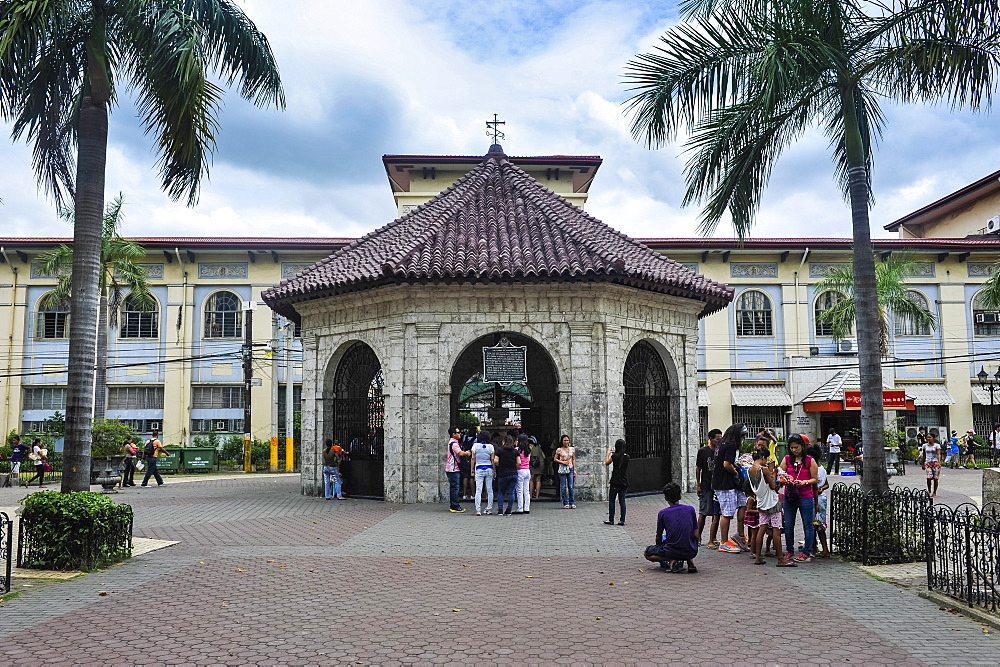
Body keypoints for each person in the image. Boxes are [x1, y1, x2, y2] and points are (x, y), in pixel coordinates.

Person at [748, 447, 795, 567]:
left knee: (761, 528)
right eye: (766, 459)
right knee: (776, 529)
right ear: (762, 458)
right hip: (772, 502)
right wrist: (778, 479)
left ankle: (758, 556)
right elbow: (774, 486)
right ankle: (780, 559)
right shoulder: (763, 469)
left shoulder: (750, 470)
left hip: (761, 502)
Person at [643, 482, 698, 574]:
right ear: (680, 496)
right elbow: (696, 534)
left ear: (665, 498)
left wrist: (659, 547)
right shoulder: (690, 509)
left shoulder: (663, 513)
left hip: (672, 550)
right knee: (686, 540)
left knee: (647, 553)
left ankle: (672, 559)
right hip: (692, 551)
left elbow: (658, 536)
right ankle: (689, 560)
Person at [780, 434, 818, 563]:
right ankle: (789, 550)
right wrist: (786, 481)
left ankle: (806, 552)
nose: (794, 450)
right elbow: (780, 474)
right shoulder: (787, 459)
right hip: (790, 495)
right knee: (788, 525)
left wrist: (804, 482)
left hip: (806, 496)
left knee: (808, 525)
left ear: (802, 446)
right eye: (791, 448)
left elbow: (815, 479)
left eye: (796, 447)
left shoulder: (809, 460)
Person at [712, 423, 748, 554]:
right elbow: (726, 464)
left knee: (743, 504)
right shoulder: (731, 445)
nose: (743, 438)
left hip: (730, 483)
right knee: (727, 513)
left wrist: (736, 464)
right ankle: (723, 542)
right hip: (725, 483)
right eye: (742, 436)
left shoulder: (722, 444)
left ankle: (740, 534)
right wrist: (735, 472)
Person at [695, 428, 721, 548]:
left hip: (718, 486)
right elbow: (698, 468)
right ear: (711, 439)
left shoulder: (721, 451)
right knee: (703, 512)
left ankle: (713, 537)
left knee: (716, 514)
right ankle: (697, 537)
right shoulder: (703, 451)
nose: (719, 440)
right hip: (706, 485)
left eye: (720, 438)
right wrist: (698, 484)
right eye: (717, 438)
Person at [807, 444, 832, 558]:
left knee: (813, 524)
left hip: (816, 499)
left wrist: (817, 492)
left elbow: (814, 486)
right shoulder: (822, 468)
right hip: (822, 498)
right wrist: (822, 488)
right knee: (819, 524)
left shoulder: (814, 469)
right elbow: (826, 484)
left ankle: (814, 548)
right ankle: (822, 548)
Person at [604, 438, 629, 526]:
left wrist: (608, 453)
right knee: (622, 500)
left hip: (615, 481)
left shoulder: (614, 457)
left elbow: (607, 462)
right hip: (624, 481)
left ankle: (611, 519)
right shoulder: (627, 457)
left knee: (612, 500)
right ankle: (622, 520)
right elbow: (621, 457)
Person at [471, 430, 495, 516]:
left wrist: (472, 469)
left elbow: (473, 458)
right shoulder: (491, 447)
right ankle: (489, 509)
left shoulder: (475, 446)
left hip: (479, 468)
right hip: (489, 468)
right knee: (489, 490)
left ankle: (478, 510)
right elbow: (492, 459)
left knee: (478, 490)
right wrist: (494, 470)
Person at [443, 427, 467, 512]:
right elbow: (460, 453)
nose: (460, 434)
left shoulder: (453, 442)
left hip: (452, 468)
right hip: (453, 469)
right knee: (455, 488)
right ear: (453, 434)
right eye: (458, 432)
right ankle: (455, 506)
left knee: (454, 487)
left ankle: (454, 505)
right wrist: (468, 453)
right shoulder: (454, 443)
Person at [495, 435, 519, 516]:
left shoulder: (499, 450)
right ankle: (509, 510)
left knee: (501, 492)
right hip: (513, 473)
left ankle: (500, 510)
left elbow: (495, 461)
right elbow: (519, 462)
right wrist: (513, 465)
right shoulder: (515, 451)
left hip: (503, 473)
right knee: (511, 492)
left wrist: (500, 465)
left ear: (503, 442)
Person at [554, 434, 576, 509]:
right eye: (564, 440)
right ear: (562, 441)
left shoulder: (572, 449)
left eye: (567, 440)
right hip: (562, 468)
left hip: (570, 468)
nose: (566, 442)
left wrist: (574, 468)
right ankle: (565, 502)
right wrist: (562, 462)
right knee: (563, 486)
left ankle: (572, 502)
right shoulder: (559, 450)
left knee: (571, 486)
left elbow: (573, 459)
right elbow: (555, 459)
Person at [919, 431, 942, 497]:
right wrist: (922, 463)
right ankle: (929, 490)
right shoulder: (924, 445)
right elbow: (924, 455)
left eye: (930, 437)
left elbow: (938, 454)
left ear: (933, 438)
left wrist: (939, 462)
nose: (928, 439)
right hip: (928, 462)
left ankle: (934, 491)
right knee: (929, 477)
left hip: (935, 462)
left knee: (935, 478)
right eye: (927, 437)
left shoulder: (937, 445)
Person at [514, 435, 532, 514]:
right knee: (526, 490)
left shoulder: (517, 449)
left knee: (519, 490)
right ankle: (527, 508)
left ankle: (520, 508)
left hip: (520, 470)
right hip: (527, 470)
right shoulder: (528, 450)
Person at [459, 427, 476, 501]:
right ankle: (473, 494)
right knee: (471, 478)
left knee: (465, 478)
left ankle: (464, 494)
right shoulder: (475, 439)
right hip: (470, 459)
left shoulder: (465, 437)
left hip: (464, 459)